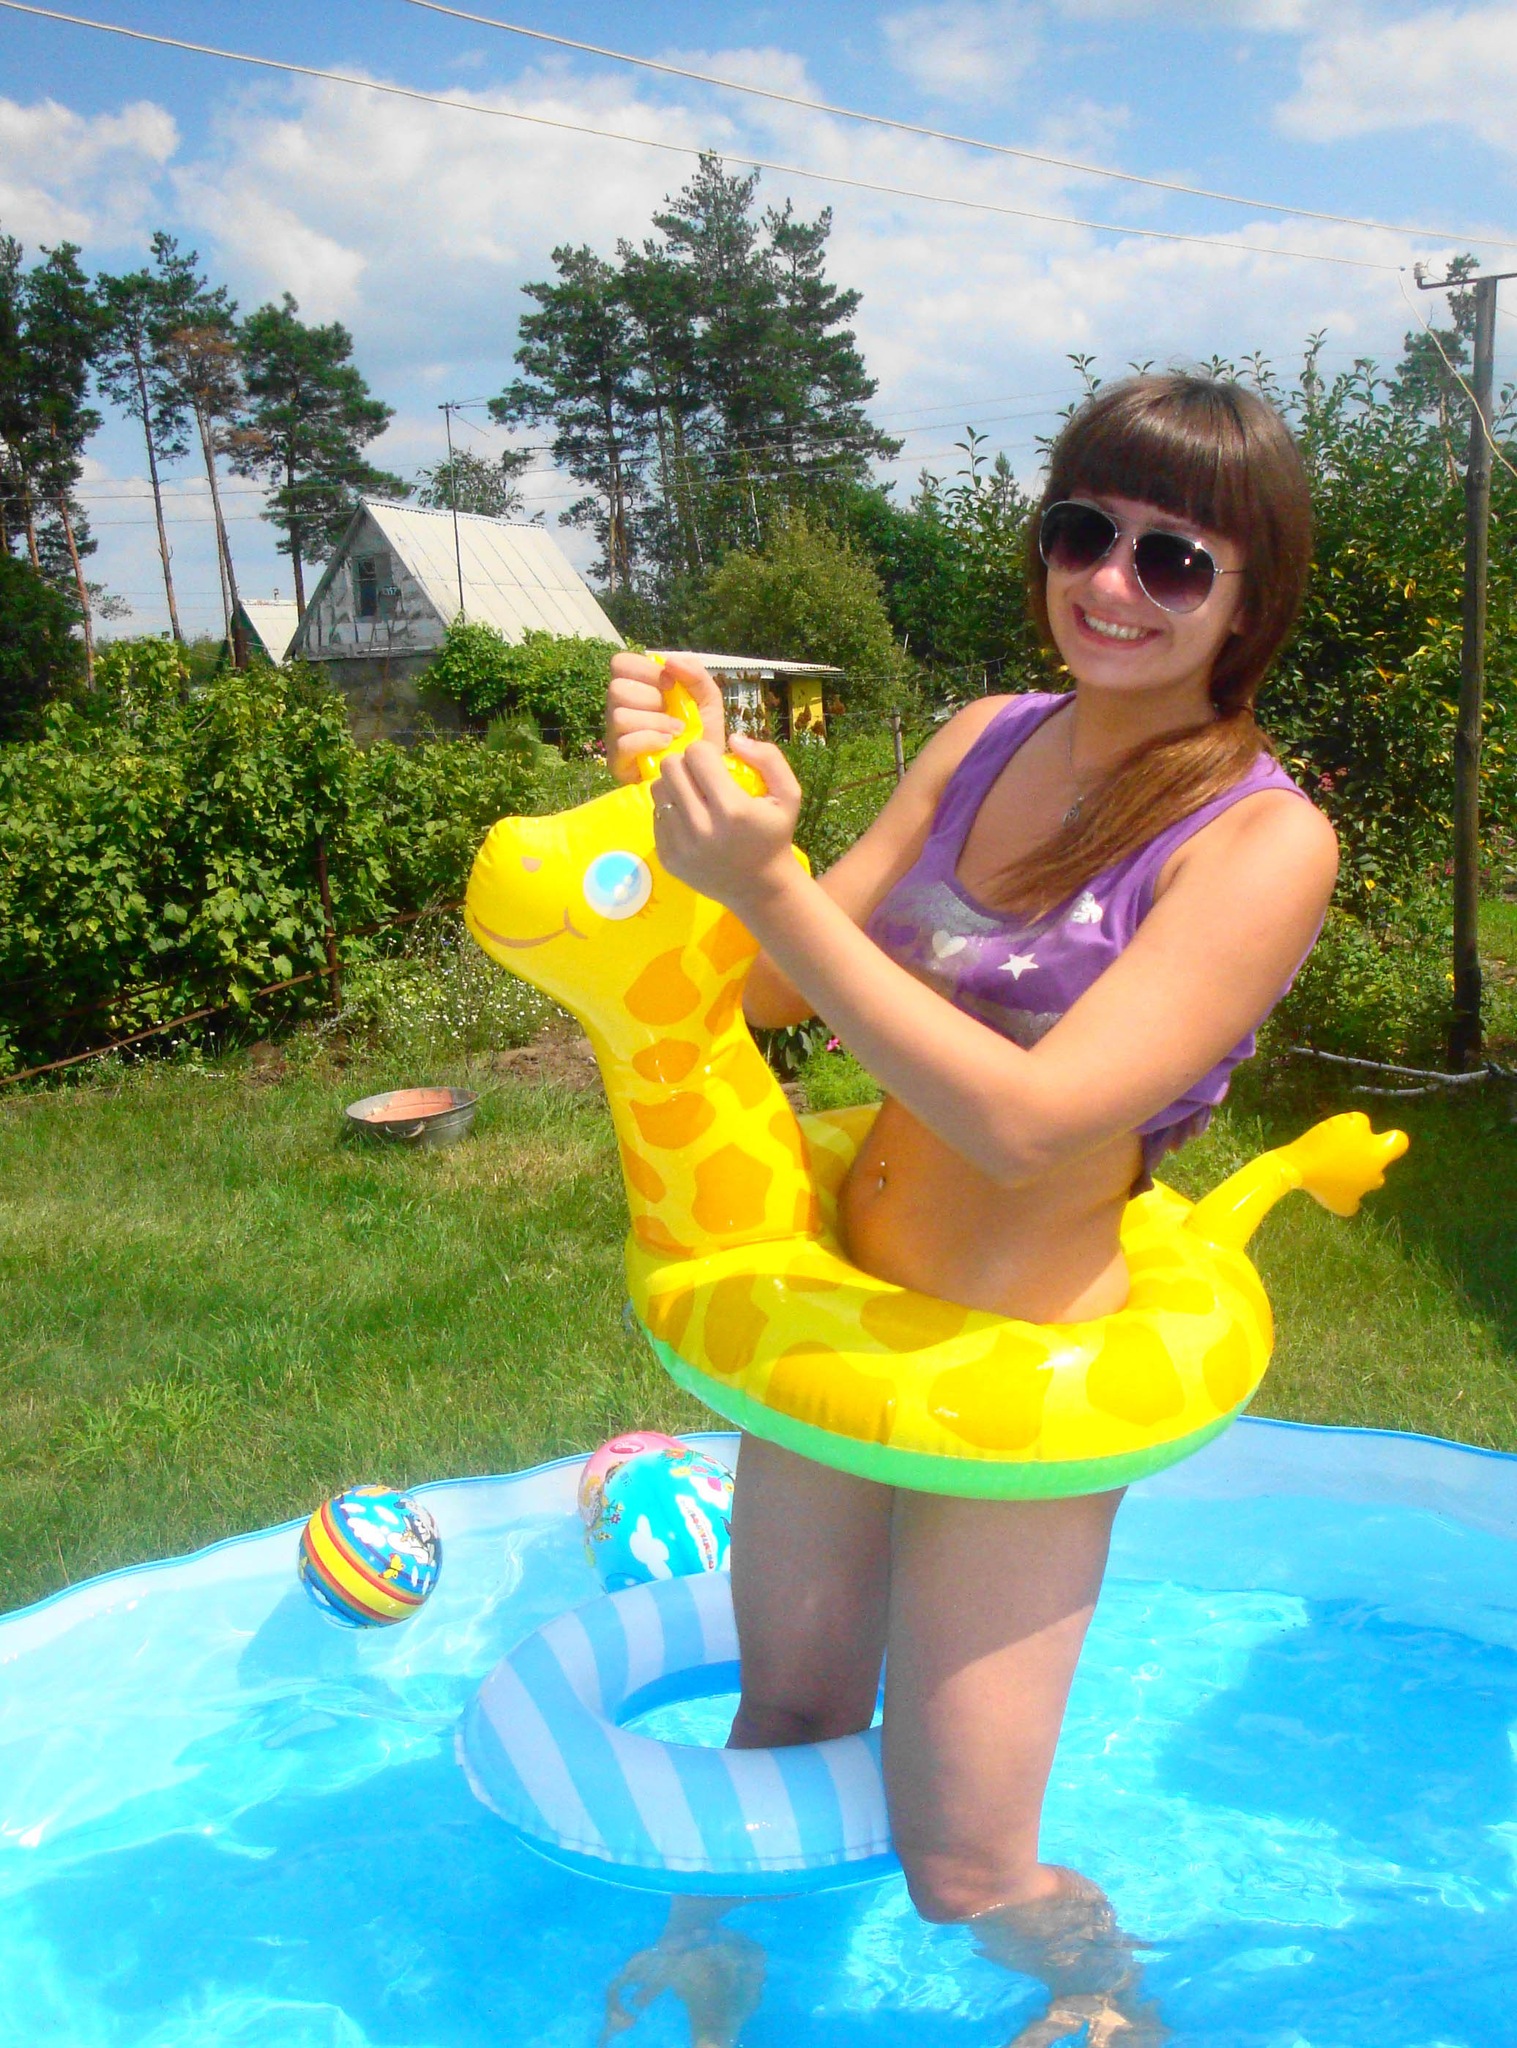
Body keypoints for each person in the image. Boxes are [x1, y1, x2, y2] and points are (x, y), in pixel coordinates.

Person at [598, 373, 1336, 2048]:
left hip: (1020, 1385)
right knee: (783, 1718)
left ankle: (1100, 1991)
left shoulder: (1259, 843)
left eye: (1173, 558)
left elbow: (1027, 1123)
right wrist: (701, 812)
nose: (1112, 582)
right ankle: (716, 1950)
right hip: (846, 1325)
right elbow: (774, 996)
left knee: (960, 1861)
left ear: (1249, 601)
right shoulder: (983, 735)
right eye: (1083, 532)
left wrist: (767, 887)